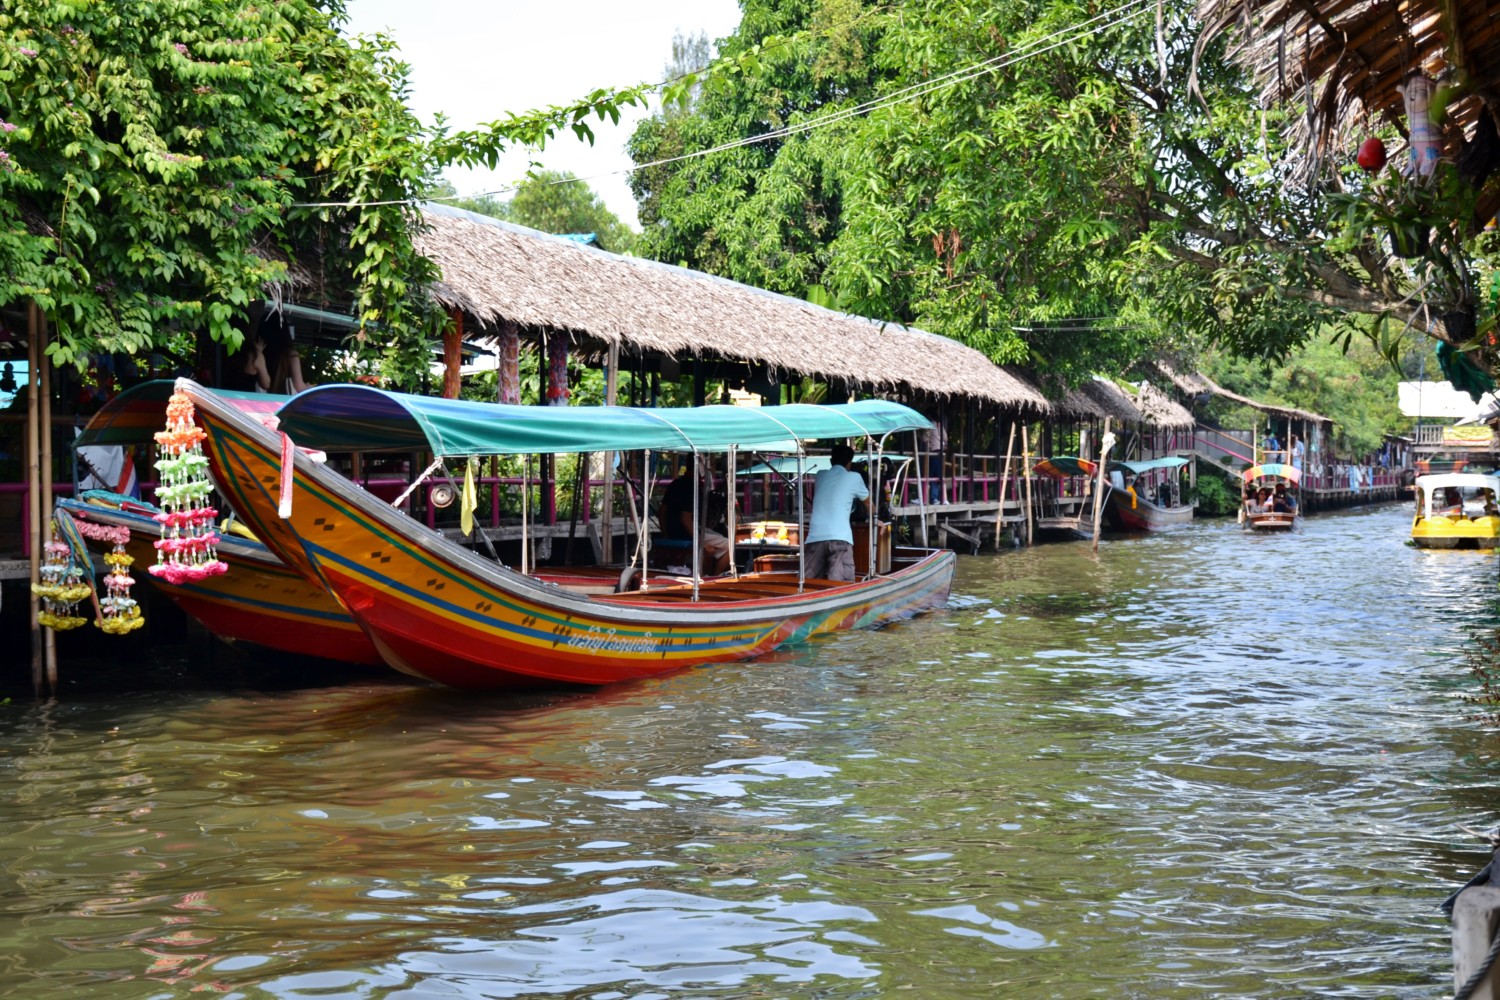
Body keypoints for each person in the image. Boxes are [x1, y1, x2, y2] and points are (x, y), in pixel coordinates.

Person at [805, 444, 870, 582]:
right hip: (840, 538)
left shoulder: (820, 475)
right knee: (841, 584)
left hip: (815, 537)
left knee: (810, 583)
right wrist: (878, 519)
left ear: (831, 461)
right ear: (849, 463)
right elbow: (869, 505)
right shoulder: (855, 477)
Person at [659, 470, 730, 575]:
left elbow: (662, 511)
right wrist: (700, 542)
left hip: (674, 531)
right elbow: (685, 518)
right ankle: (715, 576)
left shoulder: (675, 483)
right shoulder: (692, 487)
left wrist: (665, 533)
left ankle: (709, 573)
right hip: (685, 533)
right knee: (730, 546)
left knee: (717, 536)